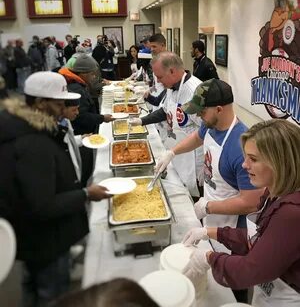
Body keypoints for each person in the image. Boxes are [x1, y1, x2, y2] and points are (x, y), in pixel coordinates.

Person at [0, 71, 111, 306]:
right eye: (60, 104)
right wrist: (85, 194)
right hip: (46, 239)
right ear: (40, 103)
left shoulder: (23, 127)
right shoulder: (32, 142)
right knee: (52, 294)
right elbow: (43, 205)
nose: (64, 109)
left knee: (32, 287)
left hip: (29, 235)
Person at [182, 119, 300, 306]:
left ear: (280, 162)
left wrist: (208, 258)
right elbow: (260, 239)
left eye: (253, 159)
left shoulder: (291, 214)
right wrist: (211, 233)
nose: (244, 165)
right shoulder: (273, 192)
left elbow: (249, 270)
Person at [155, 79, 262, 249]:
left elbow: (251, 202)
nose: (198, 116)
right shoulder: (211, 125)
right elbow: (198, 137)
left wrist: (209, 207)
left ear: (219, 109)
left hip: (232, 230)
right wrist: (172, 153)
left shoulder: (241, 147)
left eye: (202, 111)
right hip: (211, 213)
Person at [130, 52, 203, 198]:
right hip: (176, 151)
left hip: (192, 159)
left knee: (192, 197)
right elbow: (164, 111)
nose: (158, 81)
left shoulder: (195, 91)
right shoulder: (171, 87)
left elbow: (207, 130)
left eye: (160, 77)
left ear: (172, 71)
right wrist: (142, 121)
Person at [59, 54, 114, 186]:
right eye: (91, 74)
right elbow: (80, 116)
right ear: (83, 73)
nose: (93, 77)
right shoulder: (76, 88)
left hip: (81, 137)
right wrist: (102, 118)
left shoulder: (78, 84)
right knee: (84, 169)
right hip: (82, 137)